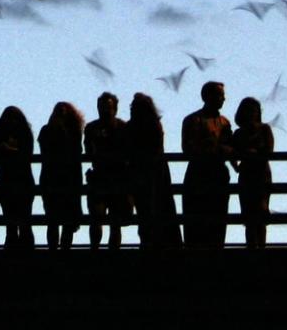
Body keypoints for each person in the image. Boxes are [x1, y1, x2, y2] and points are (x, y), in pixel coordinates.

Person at [180, 81, 232, 249]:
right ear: (207, 96)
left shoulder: (225, 123)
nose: (222, 99)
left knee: (218, 221)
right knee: (196, 222)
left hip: (218, 176)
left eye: (222, 95)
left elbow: (232, 148)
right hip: (199, 175)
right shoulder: (193, 120)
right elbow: (188, 148)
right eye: (219, 95)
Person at [125, 93, 179, 249]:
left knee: (147, 209)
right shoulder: (153, 125)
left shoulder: (134, 126)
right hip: (154, 171)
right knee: (157, 207)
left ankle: (149, 241)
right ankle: (157, 242)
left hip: (147, 172)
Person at [84, 92, 130, 249]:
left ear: (115, 109)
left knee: (115, 222)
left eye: (108, 107)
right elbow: (88, 151)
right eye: (102, 107)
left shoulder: (124, 128)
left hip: (118, 178)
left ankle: (113, 253)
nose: (105, 110)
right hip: (100, 178)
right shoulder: (91, 128)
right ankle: (95, 250)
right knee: (96, 217)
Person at [38, 102, 85, 249]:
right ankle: (55, 250)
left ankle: (63, 250)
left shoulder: (74, 132)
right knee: (53, 220)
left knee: (66, 221)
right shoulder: (47, 131)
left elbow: (76, 150)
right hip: (55, 178)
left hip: (66, 179)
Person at [230, 97, 274, 250]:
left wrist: (253, 154)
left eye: (255, 111)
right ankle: (251, 248)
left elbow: (269, 150)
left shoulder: (264, 129)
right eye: (249, 110)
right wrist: (236, 166)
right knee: (249, 216)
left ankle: (261, 247)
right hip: (247, 174)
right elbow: (231, 153)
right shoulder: (239, 133)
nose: (253, 114)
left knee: (261, 213)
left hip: (261, 174)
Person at [0, 105, 35, 251]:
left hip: (14, 180)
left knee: (19, 221)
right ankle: (22, 249)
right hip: (17, 180)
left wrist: (7, 150)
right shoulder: (24, 132)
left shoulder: (19, 133)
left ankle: (16, 248)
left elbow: (26, 153)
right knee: (17, 221)